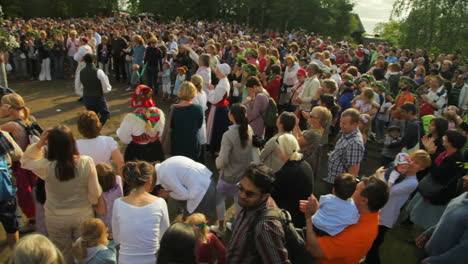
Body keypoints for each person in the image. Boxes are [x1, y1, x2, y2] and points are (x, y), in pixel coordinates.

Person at [21, 126, 103, 263]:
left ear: (51, 145)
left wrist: (40, 143)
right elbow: (94, 192)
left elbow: (25, 161)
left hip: (55, 217)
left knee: (62, 253)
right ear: (72, 141)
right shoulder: (86, 162)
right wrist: (93, 204)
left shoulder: (46, 166)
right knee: (85, 252)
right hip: (82, 214)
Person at [303, 176, 390, 264]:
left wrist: (308, 217)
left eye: (355, 189)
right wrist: (321, 210)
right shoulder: (370, 213)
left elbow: (314, 250)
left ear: (364, 201)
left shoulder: (357, 234)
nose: (350, 190)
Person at [365, 150, 431, 264]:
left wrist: (378, 174)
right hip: (376, 209)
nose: (411, 163)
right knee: (368, 241)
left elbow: (386, 191)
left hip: (385, 216)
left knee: (374, 244)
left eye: (417, 163)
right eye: (412, 159)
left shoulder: (412, 182)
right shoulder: (398, 171)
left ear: (421, 168)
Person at [226, 164, 290, 263]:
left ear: (265, 196)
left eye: (249, 194)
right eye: (241, 188)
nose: (242, 195)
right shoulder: (252, 204)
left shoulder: (265, 227)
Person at [112, 161, 169, 264]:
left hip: (125, 260)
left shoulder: (118, 203)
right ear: (150, 180)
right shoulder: (160, 203)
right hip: (153, 259)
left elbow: (117, 238)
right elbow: (164, 235)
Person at [213, 103, 258, 234]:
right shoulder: (248, 129)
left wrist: (217, 163)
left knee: (219, 200)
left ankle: (221, 228)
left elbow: (223, 160)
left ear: (231, 115)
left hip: (228, 176)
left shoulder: (228, 135)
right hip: (244, 175)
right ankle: (237, 228)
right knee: (239, 203)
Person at [408, 130, 466, 230]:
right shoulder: (445, 152)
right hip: (431, 189)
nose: (443, 137)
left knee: (429, 218)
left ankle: (422, 238)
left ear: (451, 142)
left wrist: (431, 154)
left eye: (445, 137)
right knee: (420, 212)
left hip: (439, 193)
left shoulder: (456, 159)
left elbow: (438, 174)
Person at [0, 93, 39, 229]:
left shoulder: (10, 125)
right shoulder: (30, 118)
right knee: (34, 189)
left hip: (20, 164)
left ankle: (32, 220)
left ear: (9, 108)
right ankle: (38, 215)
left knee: (23, 193)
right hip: (33, 160)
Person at [415, 175, 468, 264]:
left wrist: (436, 261)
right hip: (430, 252)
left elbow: (464, 249)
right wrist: (428, 233)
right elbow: (448, 219)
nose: (464, 177)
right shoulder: (464, 195)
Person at [155, 156, 217, 222]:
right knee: (198, 221)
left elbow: (185, 195)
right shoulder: (165, 165)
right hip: (206, 180)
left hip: (202, 192)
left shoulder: (164, 174)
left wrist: (168, 194)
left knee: (194, 223)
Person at [271, 133, 313, 228]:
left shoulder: (285, 173)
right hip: (302, 216)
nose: (277, 151)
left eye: (278, 149)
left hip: (290, 220)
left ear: (283, 150)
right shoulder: (305, 165)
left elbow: (273, 196)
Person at [117, 85, 165, 163]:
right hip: (156, 150)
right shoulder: (159, 113)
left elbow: (124, 137)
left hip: (137, 152)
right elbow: (161, 133)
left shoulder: (130, 117)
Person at [326, 108, 365, 193]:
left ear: (354, 124)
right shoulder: (346, 133)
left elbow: (353, 171)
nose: (341, 125)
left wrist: (341, 191)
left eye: (344, 123)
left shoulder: (355, 143)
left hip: (338, 186)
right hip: (332, 179)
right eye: (341, 122)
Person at [76, 111, 124, 176]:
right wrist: (121, 182)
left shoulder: (75, 145)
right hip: (107, 179)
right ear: (97, 125)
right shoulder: (108, 141)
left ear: (79, 128)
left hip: (87, 181)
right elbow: (120, 163)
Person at [294, 106, 332, 184]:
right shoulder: (317, 129)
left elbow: (295, 143)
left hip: (303, 162)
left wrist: (294, 126)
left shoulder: (314, 133)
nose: (308, 115)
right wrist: (297, 126)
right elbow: (302, 136)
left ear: (318, 120)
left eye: (311, 115)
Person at [0, 129, 23, 249]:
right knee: (11, 226)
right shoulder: (2, 134)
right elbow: (18, 155)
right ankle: (16, 256)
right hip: (5, 188)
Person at [170, 81, 204, 161]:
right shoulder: (198, 108)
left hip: (177, 143)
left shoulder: (173, 109)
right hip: (192, 143)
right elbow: (199, 125)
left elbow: (171, 126)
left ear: (180, 91)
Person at [74, 54, 112, 125]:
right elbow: (106, 86)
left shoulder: (80, 72)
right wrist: (104, 91)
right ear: (94, 60)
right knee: (105, 114)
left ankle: (94, 130)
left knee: (93, 116)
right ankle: (97, 128)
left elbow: (77, 86)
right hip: (98, 97)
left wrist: (83, 94)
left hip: (87, 97)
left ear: (84, 61)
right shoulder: (99, 71)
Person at [206, 64, 231, 153]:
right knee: (216, 129)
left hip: (219, 110)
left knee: (216, 129)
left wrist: (211, 89)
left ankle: (215, 149)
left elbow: (214, 100)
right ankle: (214, 147)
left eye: (218, 70)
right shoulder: (223, 81)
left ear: (222, 72)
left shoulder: (222, 84)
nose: (216, 72)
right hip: (219, 108)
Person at [95, 163, 123, 239]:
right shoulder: (118, 182)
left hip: (105, 227)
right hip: (118, 224)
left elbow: (101, 211)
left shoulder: (100, 194)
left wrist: (93, 207)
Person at [191, 74, 208, 157]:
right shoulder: (203, 93)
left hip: (196, 121)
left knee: (196, 144)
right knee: (201, 144)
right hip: (202, 120)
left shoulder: (193, 96)